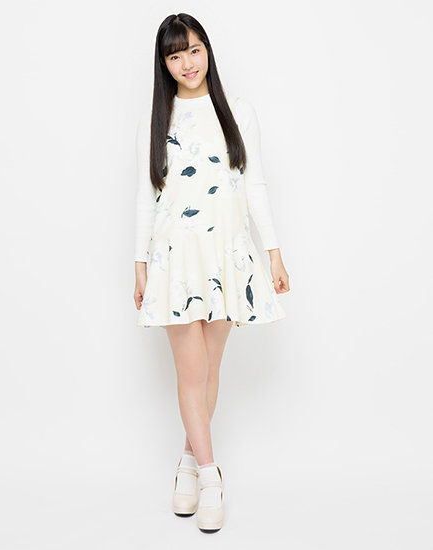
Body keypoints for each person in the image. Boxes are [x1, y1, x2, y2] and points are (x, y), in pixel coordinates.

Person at [133, 13, 290, 533]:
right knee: (190, 372)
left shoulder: (237, 112)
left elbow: (254, 184)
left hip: (226, 254)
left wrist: (273, 252)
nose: (187, 63)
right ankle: (210, 474)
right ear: (164, 64)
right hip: (174, 257)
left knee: (210, 370)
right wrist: (139, 265)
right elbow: (146, 196)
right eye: (175, 55)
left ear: (208, 51)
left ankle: (186, 463)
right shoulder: (156, 120)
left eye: (194, 50)